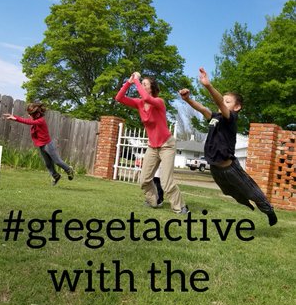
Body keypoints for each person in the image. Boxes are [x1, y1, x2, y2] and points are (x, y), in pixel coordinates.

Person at [179, 68, 277, 225]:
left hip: (230, 167)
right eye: (222, 101)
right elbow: (203, 109)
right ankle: (245, 202)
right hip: (215, 168)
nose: (222, 103)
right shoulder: (215, 117)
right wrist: (187, 99)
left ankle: (268, 210)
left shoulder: (231, 118)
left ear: (237, 107)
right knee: (228, 191)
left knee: (251, 191)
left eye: (227, 101)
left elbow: (219, 103)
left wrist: (208, 86)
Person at [114, 72, 188, 216]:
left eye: (144, 84)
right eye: (141, 84)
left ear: (151, 88)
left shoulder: (159, 102)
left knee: (166, 182)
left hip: (167, 145)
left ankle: (180, 207)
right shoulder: (139, 103)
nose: (141, 85)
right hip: (152, 147)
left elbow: (147, 97)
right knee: (144, 180)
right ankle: (153, 201)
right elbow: (119, 98)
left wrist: (136, 80)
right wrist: (129, 82)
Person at [2, 101, 75, 183]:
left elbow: (28, 122)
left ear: (37, 114)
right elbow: (28, 120)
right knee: (48, 164)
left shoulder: (40, 120)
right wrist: (13, 116)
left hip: (48, 145)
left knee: (57, 161)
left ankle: (69, 170)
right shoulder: (35, 118)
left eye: (30, 114)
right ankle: (56, 176)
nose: (29, 115)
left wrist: (15, 118)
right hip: (41, 145)